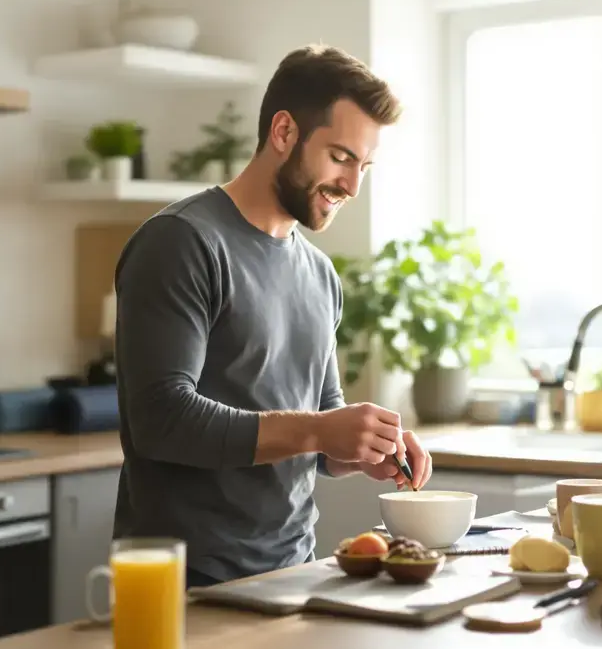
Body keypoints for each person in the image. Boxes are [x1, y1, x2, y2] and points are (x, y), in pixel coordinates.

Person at [111, 44, 435, 588]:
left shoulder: (319, 274)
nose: (352, 186)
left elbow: (318, 425)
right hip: (187, 584)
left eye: (364, 166)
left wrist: (361, 448)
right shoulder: (182, 243)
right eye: (340, 157)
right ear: (283, 133)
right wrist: (319, 430)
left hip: (294, 574)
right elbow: (162, 421)